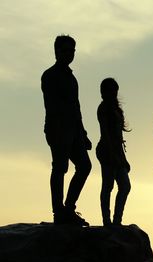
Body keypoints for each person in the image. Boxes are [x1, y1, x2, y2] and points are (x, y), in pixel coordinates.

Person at [41, 35, 91, 226]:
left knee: (85, 166)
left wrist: (83, 133)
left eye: (72, 51)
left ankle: (69, 208)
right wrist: (61, 130)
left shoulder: (72, 78)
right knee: (60, 167)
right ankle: (58, 212)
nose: (69, 54)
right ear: (56, 52)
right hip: (58, 128)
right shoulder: (50, 75)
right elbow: (52, 106)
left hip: (74, 130)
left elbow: (76, 107)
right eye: (65, 50)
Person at [96, 78, 131, 226]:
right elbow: (106, 134)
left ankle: (117, 220)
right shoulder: (103, 108)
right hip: (106, 150)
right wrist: (113, 156)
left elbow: (119, 137)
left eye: (114, 90)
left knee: (125, 186)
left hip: (116, 151)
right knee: (108, 185)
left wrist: (123, 159)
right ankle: (107, 221)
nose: (112, 93)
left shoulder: (117, 110)